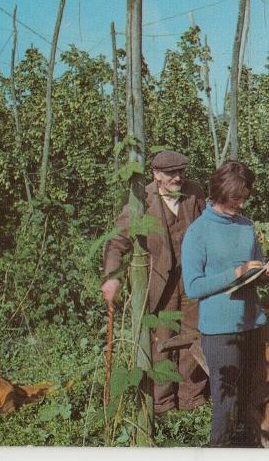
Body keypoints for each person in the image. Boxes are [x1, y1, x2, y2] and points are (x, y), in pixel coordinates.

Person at [181, 161, 269, 447]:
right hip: (220, 329)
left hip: (252, 323)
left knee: (253, 396)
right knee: (226, 401)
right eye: (235, 198)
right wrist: (235, 273)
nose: (241, 203)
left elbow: (254, 272)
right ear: (219, 194)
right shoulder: (198, 232)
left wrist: (265, 272)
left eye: (244, 196)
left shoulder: (247, 226)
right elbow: (194, 286)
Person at [101, 150, 208, 414]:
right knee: (161, 341)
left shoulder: (194, 192)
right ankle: (162, 405)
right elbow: (116, 243)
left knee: (194, 338)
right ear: (156, 174)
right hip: (159, 284)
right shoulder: (141, 201)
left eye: (181, 171)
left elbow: (209, 227)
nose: (178, 177)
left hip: (193, 279)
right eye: (171, 173)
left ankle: (190, 401)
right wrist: (112, 278)